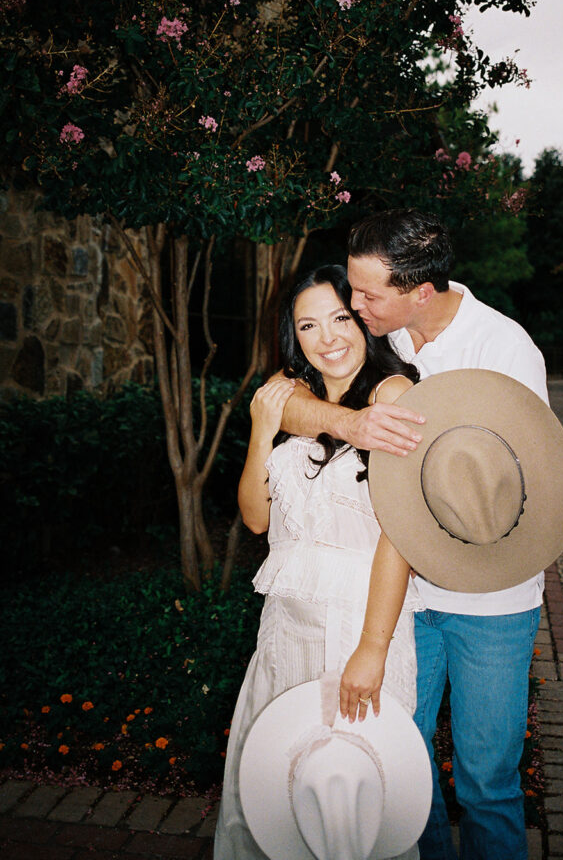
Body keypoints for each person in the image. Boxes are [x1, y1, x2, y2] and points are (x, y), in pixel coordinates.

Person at [280, 209, 549, 860]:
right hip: (402, 605)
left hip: (491, 602)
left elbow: (521, 489)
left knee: (487, 783)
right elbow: (284, 400)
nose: (354, 305)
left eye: (368, 294)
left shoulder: (504, 350)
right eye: (352, 288)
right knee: (402, 769)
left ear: (419, 293)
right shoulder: (382, 338)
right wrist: (353, 426)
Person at [214, 264, 424, 860]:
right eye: (308, 325)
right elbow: (256, 517)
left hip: (357, 627)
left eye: (340, 317)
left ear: (364, 320)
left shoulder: (393, 394)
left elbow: (401, 536)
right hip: (284, 631)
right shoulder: (290, 395)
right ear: (293, 336)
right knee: (272, 796)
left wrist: (373, 650)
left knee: (349, 807)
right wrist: (262, 428)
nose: (327, 337)